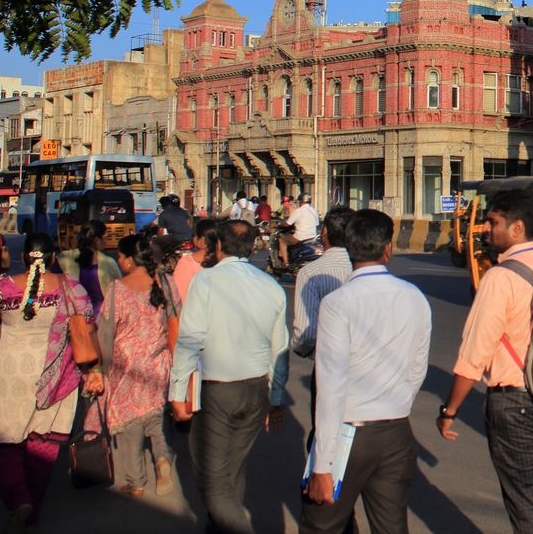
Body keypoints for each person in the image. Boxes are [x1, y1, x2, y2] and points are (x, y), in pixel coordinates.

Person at [437, 189, 533, 534]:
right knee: (527, 486)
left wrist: (450, 412)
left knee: (524, 497)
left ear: (517, 228)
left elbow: (474, 354)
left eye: (493, 222)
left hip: (513, 400)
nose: (486, 229)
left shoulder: (499, 278)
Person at [0, 231, 104, 530]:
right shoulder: (73, 289)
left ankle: (19, 499)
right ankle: (32, 511)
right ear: (52, 258)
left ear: (23, 258)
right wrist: (96, 371)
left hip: (10, 377)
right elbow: (89, 332)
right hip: (57, 378)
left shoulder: (4, 287)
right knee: (41, 448)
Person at [301, 210, 431, 534]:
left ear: (348, 249)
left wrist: (322, 463)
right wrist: (394, 404)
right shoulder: (415, 298)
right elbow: (417, 370)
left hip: (349, 434)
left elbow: (329, 386)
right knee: (391, 526)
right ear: (388, 249)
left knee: (320, 524)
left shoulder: (338, 303)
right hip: (396, 432)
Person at [169, 220, 289, 534]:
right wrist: (275, 399)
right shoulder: (271, 286)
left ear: (218, 246)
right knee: (234, 468)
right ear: (252, 248)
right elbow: (281, 349)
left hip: (217, 391)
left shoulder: (206, 281)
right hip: (256, 390)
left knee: (211, 479)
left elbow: (190, 339)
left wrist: (177, 391)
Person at [95, 234, 179, 498]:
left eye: (120, 256)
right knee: (154, 417)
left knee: (131, 426)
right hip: (157, 364)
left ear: (130, 260)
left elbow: (105, 335)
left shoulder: (117, 289)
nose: (118, 261)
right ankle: (162, 460)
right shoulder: (167, 282)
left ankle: (137, 482)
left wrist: (102, 369)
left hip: (126, 368)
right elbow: (177, 321)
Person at [286, 207, 356, 450]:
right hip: (366, 369)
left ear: (324, 233)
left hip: (328, 368)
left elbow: (307, 333)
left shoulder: (310, 272)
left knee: (325, 437)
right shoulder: (362, 270)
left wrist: (302, 350)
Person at [58, 220, 123, 317]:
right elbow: (120, 292)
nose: (107, 241)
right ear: (97, 240)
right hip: (102, 318)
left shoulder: (65, 258)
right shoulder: (109, 263)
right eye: (106, 238)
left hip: (76, 317)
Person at [174, 218, 220, 305]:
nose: (193, 238)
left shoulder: (187, 263)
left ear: (202, 241)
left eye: (194, 235)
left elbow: (178, 296)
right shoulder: (226, 262)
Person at [280, 193, 321, 269]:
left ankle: (285, 262)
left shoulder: (298, 211)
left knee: (282, 240)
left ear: (300, 201)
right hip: (312, 237)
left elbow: (287, 224)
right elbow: (317, 224)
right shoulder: (314, 211)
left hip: (300, 237)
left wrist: (279, 225)